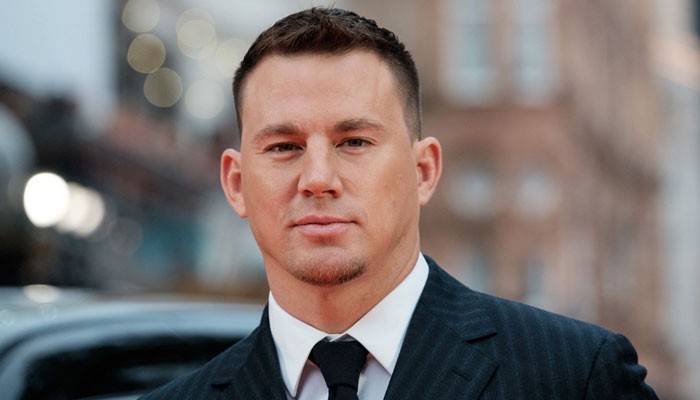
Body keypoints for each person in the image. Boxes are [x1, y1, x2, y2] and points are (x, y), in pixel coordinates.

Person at [141, 7, 658, 400]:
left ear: (423, 171)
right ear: (235, 184)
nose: (318, 179)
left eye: (354, 142)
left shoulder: (575, 376)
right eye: (283, 147)